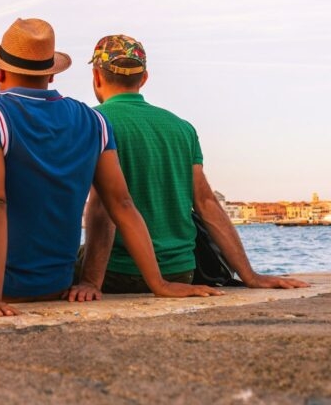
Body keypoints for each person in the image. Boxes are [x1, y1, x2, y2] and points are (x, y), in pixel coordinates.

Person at [0, 18, 222, 315]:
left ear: (1, 72)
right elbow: (122, 205)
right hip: (56, 282)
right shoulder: (92, 121)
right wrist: (158, 283)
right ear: (51, 75)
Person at [69, 34, 309, 301]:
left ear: (96, 76)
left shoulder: (92, 122)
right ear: (144, 78)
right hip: (181, 271)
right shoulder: (182, 128)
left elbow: (104, 205)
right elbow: (206, 203)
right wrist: (250, 276)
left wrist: (91, 281)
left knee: (61, 263)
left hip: (120, 272)